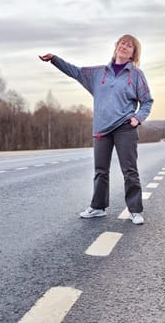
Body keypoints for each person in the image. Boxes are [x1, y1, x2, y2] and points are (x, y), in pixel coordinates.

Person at [39, 34, 153, 225]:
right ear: (116, 47)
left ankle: (134, 210)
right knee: (100, 170)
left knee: (130, 171)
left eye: (129, 46)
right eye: (122, 43)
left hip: (125, 128)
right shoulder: (98, 73)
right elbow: (74, 71)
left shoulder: (136, 75)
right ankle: (98, 207)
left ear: (134, 54)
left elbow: (147, 101)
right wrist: (54, 60)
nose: (124, 46)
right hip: (101, 129)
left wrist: (137, 118)